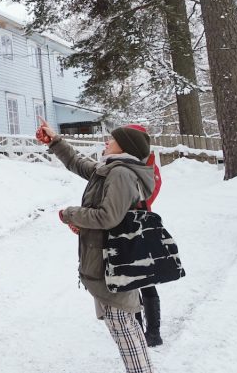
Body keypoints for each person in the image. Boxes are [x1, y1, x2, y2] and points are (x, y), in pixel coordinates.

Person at [37, 118, 156, 373]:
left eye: (112, 139)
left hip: (114, 265)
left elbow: (107, 217)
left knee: (123, 325)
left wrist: (70, 214)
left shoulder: (122, 174)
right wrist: (56, 141)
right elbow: (78, 163)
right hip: (108, 262)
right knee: (126, 326)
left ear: (123, 147)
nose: (107, 141)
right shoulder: (112, 169)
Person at [125, 124, 164, 347]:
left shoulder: (146, 163)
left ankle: (153, 331)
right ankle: (140, 329)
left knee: (143, 279)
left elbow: (151, 191)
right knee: (133, 280)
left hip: (138, 224)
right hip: (134, 223)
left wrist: (137, 203)